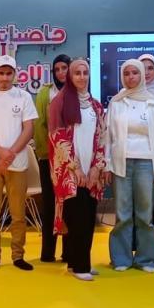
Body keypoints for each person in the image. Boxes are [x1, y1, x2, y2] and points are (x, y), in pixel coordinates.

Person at [105, 59, 154, 272]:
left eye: (135, 73)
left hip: (146, 164)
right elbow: (108, 137)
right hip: (120, 163)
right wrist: (106, 165)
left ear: (141, 75)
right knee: (122, 214)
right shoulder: (116, 102)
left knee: (145, 215)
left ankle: (146, 260)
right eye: (127, 73)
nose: (131, 77)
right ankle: (121, 259)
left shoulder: (153, 103)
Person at [0, 55, 38, 271]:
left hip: (17, 163)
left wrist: (10, 154)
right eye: (1, 73)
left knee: (18, 214)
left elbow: (28, 129)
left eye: (8, 73)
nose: (4, 77)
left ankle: (18, 255)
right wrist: (0, 153)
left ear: (15, 74)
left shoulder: (24, 97)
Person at [48, 59, 107, 281]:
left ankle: (79, 262)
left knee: (89, 217)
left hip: (90, 171)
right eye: (77, 73)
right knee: (76, 218)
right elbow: (57, 138)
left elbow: (102, 137)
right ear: (70, 77)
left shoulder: (96, 106)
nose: (82, 77)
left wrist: (96, 168)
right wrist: (76, 169)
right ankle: (80, 265)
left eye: (85, 73)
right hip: (69, 171)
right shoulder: (60, 102)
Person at [34, 54, 71, 263]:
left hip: (71, 161)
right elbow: (39, 125)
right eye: (57, 69)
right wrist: (47, 153)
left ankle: (68, 252)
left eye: (64, 68)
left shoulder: (79, 92)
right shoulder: (45, 93)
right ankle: (47, 252)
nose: (61, 73)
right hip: (48, 157)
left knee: (69, 205)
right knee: (49, 205)